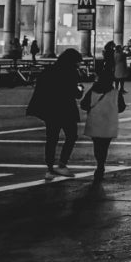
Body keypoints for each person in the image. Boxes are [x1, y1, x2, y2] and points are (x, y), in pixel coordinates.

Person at [29, 47, 85, 180]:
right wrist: (80, 88)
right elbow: (76, 94)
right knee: (71, 136)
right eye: (78, 62)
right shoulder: (71, 72)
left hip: (51, 110)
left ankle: (49, 168)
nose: (79, 64)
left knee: (51, 139)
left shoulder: (49, 70)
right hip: (66, 109)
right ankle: (62, 164)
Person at [81, 58, 126, 183]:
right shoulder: (116, 93)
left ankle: (99, 163)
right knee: (105, 146)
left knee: (97, 145)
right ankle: (101, 164)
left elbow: (83, 104)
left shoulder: (93, 90)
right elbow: (121, 108)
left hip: (95, 122)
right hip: (109, 122)